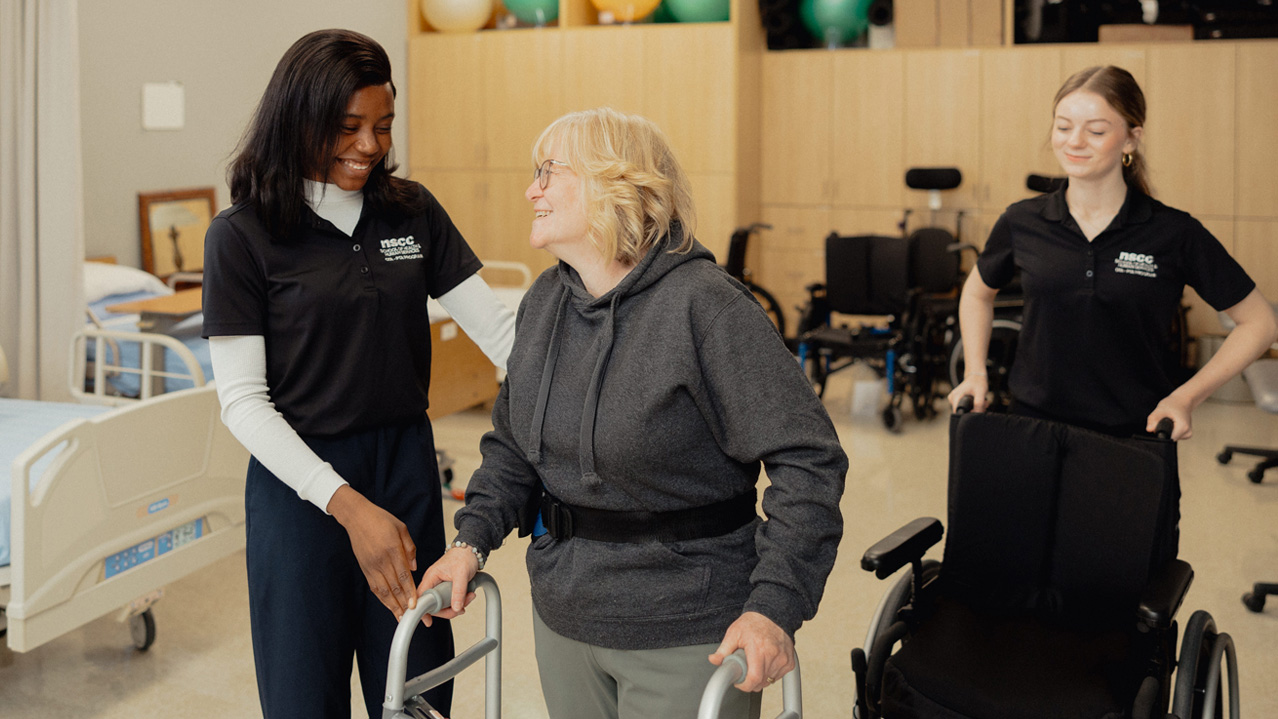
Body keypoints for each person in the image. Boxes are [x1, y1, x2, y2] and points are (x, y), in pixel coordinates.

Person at [417, 107, 847, 719]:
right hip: (565, 617)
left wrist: (774, 607)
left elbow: (809, 460)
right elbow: (514, 446)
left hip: (686, 628)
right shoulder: (545, 302)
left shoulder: (705, 306)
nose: (530, 189)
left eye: (548, 171)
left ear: (616, 185)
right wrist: (472, 541)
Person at [201, 29, 516, 719]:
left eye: (383, 126)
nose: (369, 146)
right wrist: (347, 506)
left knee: (419, 689)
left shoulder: (411, 211)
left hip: (404, 469)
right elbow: (244, 403)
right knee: (304, 698)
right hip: (302, 493)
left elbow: (501, 333)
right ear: (297, 119)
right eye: (348, 128)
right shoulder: (243, 235)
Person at [948, 65, 1277, 440]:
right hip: (1033, 428)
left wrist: (1185, 397)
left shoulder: (1172, 232)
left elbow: (1260, 324)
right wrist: (975, 373)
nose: (1074, 141)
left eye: (1097, 130)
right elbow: (977, 293)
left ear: (1131, 139)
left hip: (1134, 436)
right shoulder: (1022, 221)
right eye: (1063, 126)